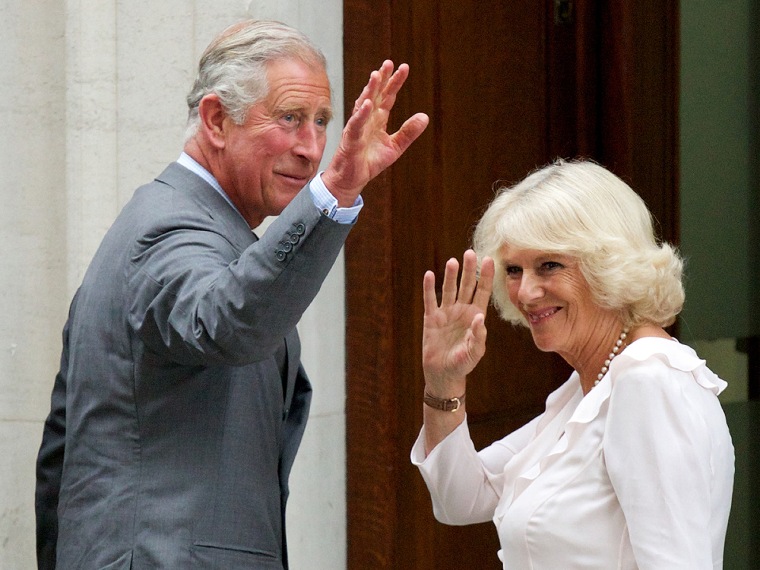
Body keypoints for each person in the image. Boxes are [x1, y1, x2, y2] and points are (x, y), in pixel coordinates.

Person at [35, 19, 428, 569]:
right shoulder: (168, 231)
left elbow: (62, 448)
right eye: (290, 119)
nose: (312, 148)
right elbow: (228, 321)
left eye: (321, 122)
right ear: (217, 119)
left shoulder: (174, 221)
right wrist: (333, 193)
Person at [411, 159, 734, 569]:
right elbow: (460, 498)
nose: (525, 292)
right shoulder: (592, 382)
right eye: (514, 270)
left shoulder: (649, 379)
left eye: (549, 265)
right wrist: (444, 383)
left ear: (607, 263)